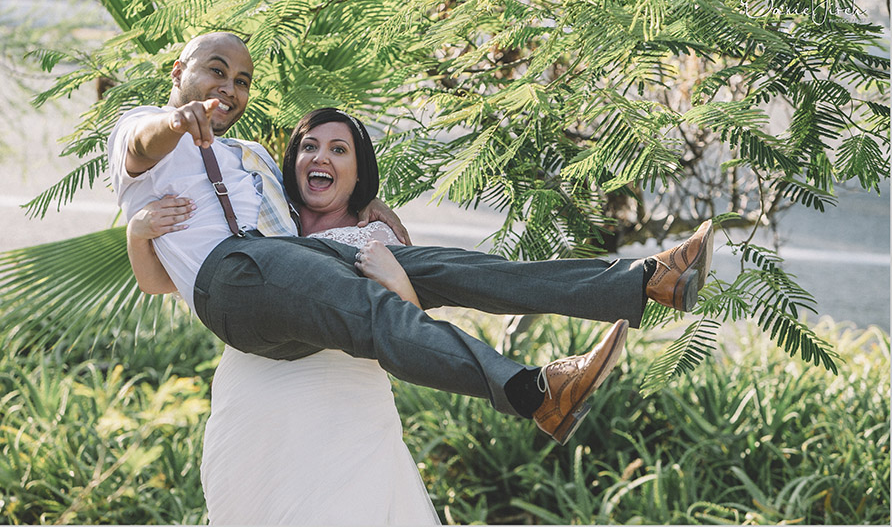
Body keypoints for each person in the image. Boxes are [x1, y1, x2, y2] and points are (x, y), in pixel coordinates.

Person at [107, 32, 713, 454]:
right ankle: (533, 392)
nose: (230, 89)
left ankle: (645, 281)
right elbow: (143, 143)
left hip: (288, 270)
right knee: (377, 307)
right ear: (178, 73)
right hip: (234, 279)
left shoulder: (254, 155)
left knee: (440, 266)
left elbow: (298, 219)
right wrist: (177, 124)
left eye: (241, 81)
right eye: (216, 70)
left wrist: (362, 205)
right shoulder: (144, 133)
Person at [129, 108, 439, 523]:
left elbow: (411, 332)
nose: (321, 157)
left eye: (339, 150)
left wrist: (398, 279)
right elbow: (157, 283)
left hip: (342, 419)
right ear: (292, 162)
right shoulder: (262, 223)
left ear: (359, 172)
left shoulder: (376, 236)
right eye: (309, 147)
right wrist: (137, 232)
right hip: (251, 414)